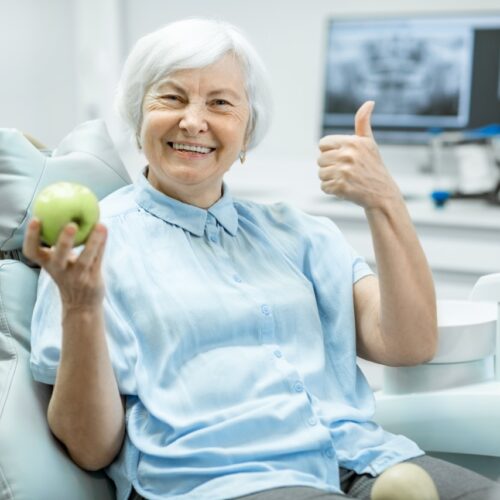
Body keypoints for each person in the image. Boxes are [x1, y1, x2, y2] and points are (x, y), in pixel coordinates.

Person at [24, 18, 499, 500]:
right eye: (170, 97)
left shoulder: (299, 234)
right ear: (137, 116)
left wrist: (385, 202)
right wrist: (81, 306)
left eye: (220, 103)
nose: (193, 120)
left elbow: (409, 344)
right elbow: (91, 449)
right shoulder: (92, 250)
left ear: (247, 132)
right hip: (226, 481)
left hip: (362, 457)